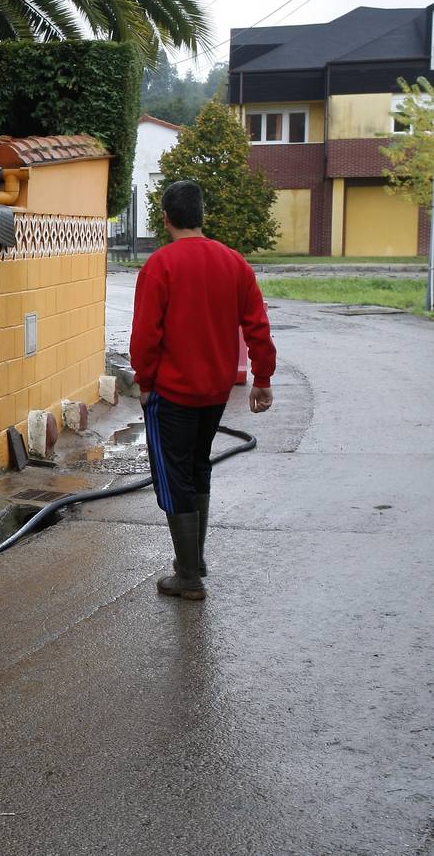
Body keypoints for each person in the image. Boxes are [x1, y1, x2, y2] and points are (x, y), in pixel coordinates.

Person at [131, 180, 276, 600]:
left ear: (166, 218)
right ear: (201, 215)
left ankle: (189, 577)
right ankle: (193, 559)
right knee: (198, 466)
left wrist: (144, 382)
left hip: (172, 394)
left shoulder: (160, 265)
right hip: (214, 394)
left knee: (172, 474)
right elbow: (258, 326)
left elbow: (145, 336)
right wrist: (262, 379)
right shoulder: (235, 263)